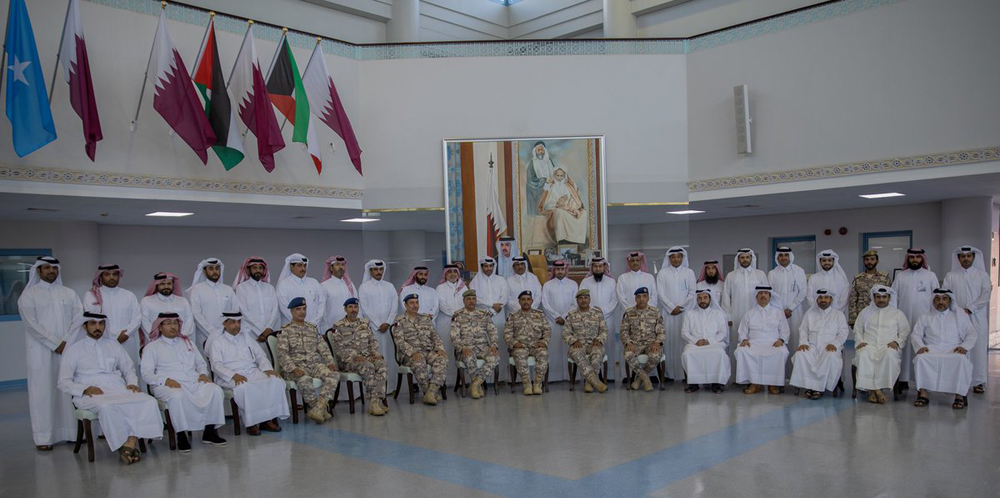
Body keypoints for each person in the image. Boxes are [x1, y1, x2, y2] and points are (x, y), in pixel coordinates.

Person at [57, 312, 161, 464]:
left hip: (118, 389)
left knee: (148, 401)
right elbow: (63, 382)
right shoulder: (74, 350)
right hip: (89, 394)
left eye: (101, 324)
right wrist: (84, 389)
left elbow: (128, 368)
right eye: (93, 324)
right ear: (85, 326)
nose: (98, 327)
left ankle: (129, 444)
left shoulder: (113, 345)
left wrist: (132, 383)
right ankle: (125, 445)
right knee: (107, 406)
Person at [18, 256, 82, 451]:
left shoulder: (69, 293)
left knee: (67, 390)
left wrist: (66, 341)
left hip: (67, 349)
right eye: (46, 268)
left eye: (54, 268)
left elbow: (79, 319)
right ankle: (44, 438)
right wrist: (55, 343)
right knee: (42, 392)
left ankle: (72, 433)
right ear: (39, 271)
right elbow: (32, 325)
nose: (51, 271)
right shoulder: (28, 296)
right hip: (40, 351)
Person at [140, 313, 226, 452]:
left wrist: (203, 374)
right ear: (160, 327)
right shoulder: (152, 347)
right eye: (168, 323)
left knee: (215, 390)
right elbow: (146, 374)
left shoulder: (188, 343)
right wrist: (165, 380)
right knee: (177, 396)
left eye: (175, 323)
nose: (172, 326)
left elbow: (200, 364)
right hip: (166, 384)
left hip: (193, 381)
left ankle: (209, 432)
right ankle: (181, 435)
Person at [208, 311, 288, 434]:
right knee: (245, 387)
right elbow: (216, 365)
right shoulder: (217, 342)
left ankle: (267, 420)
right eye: (233, 322)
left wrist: (268, 370)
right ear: (224, 323)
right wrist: (233, 375)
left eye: (238, 322)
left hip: (251, 371)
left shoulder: (246, 337)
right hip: (230, 376)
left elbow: (260, 356)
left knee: (275, 380)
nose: (237, 325)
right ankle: (251, 423)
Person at [275, 297, 339, 424]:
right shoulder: (285, 330)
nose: (302, 312)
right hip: (296, 367)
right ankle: (318, 409)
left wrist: (330, 363)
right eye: (298, 309)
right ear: (292, 312)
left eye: (304, 309)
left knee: (333, 375)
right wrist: (294, 368)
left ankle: (318, 408)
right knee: (305, 380)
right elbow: (282, 354)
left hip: (314, 364)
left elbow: (323, 349)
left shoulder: (312, 328)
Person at [911, 289, 976, 409]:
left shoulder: (959, 316)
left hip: (953, 348)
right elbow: (916, 334)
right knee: (921, 359)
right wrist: (920, 346)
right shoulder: (925, 316)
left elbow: (971, 333)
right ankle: (924, 394)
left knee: (960, 360)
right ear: (933, 301)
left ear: (950, 301)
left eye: (944, 298)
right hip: (931, 348)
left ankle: (959, 395)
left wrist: (964, 347)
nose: (941, 302)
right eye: (937, 298)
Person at [942, 246, 991, 394]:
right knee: (956, 347)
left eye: (969, 256)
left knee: (977, 349)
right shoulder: (950, 276)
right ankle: (956, 380)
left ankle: (978, 381)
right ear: (958, 258)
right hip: (956, 318)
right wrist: (958, 310)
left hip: (977, 317)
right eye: (962, 256)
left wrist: (969, 308)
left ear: (973, 257)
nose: (966, 259)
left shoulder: (982, 275)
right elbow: (945, 294)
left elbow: (985, 295)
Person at [329, 298, 389, 416]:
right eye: (350, 307)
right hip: (349, 362)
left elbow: (373, 342)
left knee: (382, 364)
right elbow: (338, 349)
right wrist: (354, 356)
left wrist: (375, 355)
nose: (353, 310)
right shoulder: (338, 326)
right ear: (345, 309)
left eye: (355, 307)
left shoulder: (364, 324)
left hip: (367, 357)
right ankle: (374, 403)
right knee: (368, 367)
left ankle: (376, 400)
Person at [853, 286, 909, 404]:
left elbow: (904, 331)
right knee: (863, 354)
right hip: (869, 344)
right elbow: (857, 329)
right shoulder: (865, 312)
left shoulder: (897, 314)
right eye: (878, 297)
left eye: (884, 297)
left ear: (889, 298)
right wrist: (860, 341)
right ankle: (877, 391)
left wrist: (897, 342)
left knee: (889, 355)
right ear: (874, 298)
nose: (881, 300)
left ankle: (873, 391)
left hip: (888, 345)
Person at [891, 248, 939, 386]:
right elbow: (894, 297)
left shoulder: (930, 276)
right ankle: (903, 379)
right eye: (912, 257)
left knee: (922, 346)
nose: (915, 260)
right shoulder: (901, 276)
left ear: (922, 259)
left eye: (918, 257)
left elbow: (936, 298)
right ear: (908, 259)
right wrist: (895, 317)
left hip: (924, 319)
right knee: (904, 348)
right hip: (903, 318)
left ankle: (922, 380)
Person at [789, 290, 849, 399]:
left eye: (826, 298)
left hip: (829, 346)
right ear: (817, 299)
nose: (823, 300)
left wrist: (835, 344)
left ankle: (818, 388)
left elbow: (843, 332)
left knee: (830, 356)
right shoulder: (810, 313)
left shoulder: (838, 315)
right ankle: (808, 386)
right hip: (811, 346)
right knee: (801, 354)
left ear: (831, 299)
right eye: (820, 298)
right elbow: (803, 330)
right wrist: (803, 343)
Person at [83, 264, 141, 372]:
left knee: (130, 372)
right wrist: (116, 335)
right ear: (100, 277)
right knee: (108, 373)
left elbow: (137, 317)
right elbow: (92, 318)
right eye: (107, 274)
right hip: (104, 339)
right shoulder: (91, 295)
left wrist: (126, 333)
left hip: (127, 340)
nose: (112, 277)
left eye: (115, 274)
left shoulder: (129, 295)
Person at [392, 294, 447, 406]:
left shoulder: (425, 319)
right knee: (419, 361)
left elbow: (435, 336)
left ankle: (430, 392)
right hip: (410, 355)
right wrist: (413, 352)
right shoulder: (399, 320)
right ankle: (429, 393)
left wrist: (439, 348)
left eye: (416, 302)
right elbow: (399, 342)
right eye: (411, 303)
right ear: (405, 305)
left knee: (442, 359)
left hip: (428, 352)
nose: (415, 305)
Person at [734, 286, 789, 395]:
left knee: (782, 352)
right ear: (756, 297)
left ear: (770, 297)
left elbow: (785, 330)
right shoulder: (749, 313)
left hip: (773, 342)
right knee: (741, 351)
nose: (763, 295)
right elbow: (742, 331)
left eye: (766, 293)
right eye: (760, 293)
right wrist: (744, 339)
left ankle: (773, 384)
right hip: (754, 342)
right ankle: (754, 383)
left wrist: (781, 340)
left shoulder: (778, 312)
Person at [449, 290, 500, 399]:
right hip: (466, 349)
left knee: (495, 357)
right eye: (468, 299)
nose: (471, 301)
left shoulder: (483, 314)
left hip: (483, 347)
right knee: (469, 356)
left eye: (473, 299)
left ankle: (475, 384)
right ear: (464, 301)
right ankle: (476, 386)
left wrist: (493, 345)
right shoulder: (458, 316)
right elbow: (454, 336)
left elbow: (493, 331)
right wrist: (462, 348)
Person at [656, 246, 696, 382]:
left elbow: (692, 293)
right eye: (673, 257)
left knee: (684, 341)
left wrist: (680, 307)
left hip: (685, 313)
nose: (676, 259)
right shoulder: (662, 273)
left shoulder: (689, 272)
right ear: (669, 258)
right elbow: (660, 293)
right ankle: (668, 374)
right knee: (668, 341)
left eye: (678, 256)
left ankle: (685, 373)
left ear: (682, 258)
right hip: (668, 313)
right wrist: (671, 307)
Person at [578, 257, 620, 382]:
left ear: (604, 267)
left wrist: (603, 311)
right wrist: (592, 312)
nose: (597, 269)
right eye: (595, 266)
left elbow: (615, 300)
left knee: (608, 345)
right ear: (592, 267)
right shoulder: (585, 282)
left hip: (607, 318)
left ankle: (609, 375)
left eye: (600, 266)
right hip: (588, 320)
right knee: (591, 345)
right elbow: (581, 299)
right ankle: (591, 376)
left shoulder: (612, 282)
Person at [681, 289, 730, 393]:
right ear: (696, 300)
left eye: (705, 298)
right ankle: (693, 383)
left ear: (710, 299)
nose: (702, 300)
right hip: (695, 344)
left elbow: (722, 333)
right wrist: (696, 341)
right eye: (699, 298)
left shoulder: (718, 314)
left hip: (714, 343)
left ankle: (717, 383)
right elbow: (684, 332)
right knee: (687, 354)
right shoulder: (690, 314)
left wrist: (709, 341)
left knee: (720, 353)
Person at [358, 259, 398, 382]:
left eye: (381, 269)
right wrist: (378, 323)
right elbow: (364, 308)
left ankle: (391, 386)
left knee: (390, 357)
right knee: (376, 357)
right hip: (373, 329)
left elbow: (394, 306)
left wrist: (388, 322)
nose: (378, 272)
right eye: (375, 269)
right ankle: (377, 387)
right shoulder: (364, 287)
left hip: (388, 328)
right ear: (370, 271)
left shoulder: (389, 286)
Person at [504, 290, 551, 396]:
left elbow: (547, 330)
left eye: (528, 299)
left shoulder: (540, 315)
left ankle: (537, 384)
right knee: (519, 354)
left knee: (543, 354)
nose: (526, 302)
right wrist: (514, 343)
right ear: (519, 302)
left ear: (532, 301)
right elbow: (507, 333)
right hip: (520, 346)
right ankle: (527, 385)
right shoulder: (513, 316)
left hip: (536, 345)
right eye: (523, 299)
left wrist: (544, 342)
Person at [767, 248, 807, 368]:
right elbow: (770, 293)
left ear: (790, 256)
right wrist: (780, 311)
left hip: (796, 312)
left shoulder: (799, 271)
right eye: (781, 255)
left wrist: (790, 308)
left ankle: (795, 373)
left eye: (786, 255)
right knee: (778, 340)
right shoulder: (772, 273)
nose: (783, 257)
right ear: (777, 257)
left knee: (795, 339)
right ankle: (780, 375)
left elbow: (803, 292)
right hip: (777, 312)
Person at [563, 289, 609, 393]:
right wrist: (574, 341)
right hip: (577, 345)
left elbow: (604, 330)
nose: (583, 300)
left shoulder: (597, 313)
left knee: (597, 354)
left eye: (586, 298)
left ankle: (589, 383)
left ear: (590, 299)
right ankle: (596, 383)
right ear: (577, 300)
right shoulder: (571, 315)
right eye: (580, 298)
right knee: (578, 356)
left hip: (594, 344)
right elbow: (566, 333)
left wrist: (599, 339)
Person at [620, 287, 666, 392]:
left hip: (651, 343)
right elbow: (624, 331)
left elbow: (661, 331)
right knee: (628, 354)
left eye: (644, 296)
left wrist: (657, 343)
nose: (642, 299)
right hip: (634, 344)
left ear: (648, 298)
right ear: (635, 299)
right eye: (639, 297)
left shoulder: (655, 312)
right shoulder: (629, 312)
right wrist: (628, 343)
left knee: (655, 355)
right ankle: (645, 379)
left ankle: (638, 380)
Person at [722, 249, 769, 350]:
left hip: (757, 312)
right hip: (737, 313)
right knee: (736, 339)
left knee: (756, 338)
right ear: (738, 259)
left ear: (751, 258)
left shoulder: (760, 274)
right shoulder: (731, 275)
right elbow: (726, 296)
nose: (745, 260)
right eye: (742, 257)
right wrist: (728, 316)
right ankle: (736, 365)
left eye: (747, 257)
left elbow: (766, 294)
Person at [187, 258, 236, 353]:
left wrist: (226, 331)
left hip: (227, 335)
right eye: (211, 269)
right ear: (204, 271)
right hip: (205, 335)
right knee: (205, 364)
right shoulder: (196, 290)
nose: (215, 271)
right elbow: (196, 314)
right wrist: (213, 332)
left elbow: (234, 311)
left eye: (217, 268)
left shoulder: (228, 290)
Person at [470, 257, 509, 366]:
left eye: (491, 266)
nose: (488, 268)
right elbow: (476, 299)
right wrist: (491, 306)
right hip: (481, 317)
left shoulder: (501, 280)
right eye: (486, 266)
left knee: (499, 343)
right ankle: (484, 378)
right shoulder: (475, 282)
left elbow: (504, 297)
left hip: (498, 316)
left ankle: (500, 377)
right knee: (483, 344)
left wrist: (493, 311)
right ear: (482, 267)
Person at [541, 260, 577, 381]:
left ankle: (569, 376)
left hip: (568, 321)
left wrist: (565, 316)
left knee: (568, 347)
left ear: (565, 270)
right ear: (554, 270)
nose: (560, 271)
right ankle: (553, 377)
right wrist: (556, 316)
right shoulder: (547, 285)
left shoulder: (573, 284)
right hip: (552, 321)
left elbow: (574, 303)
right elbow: (545, 304)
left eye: (562, 269)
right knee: (553, 347)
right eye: (557, 269)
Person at [233, 256, 279, 342]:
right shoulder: (241, 288)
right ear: (248, 270)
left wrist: (268, 329)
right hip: (251, 333)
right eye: (254, 268)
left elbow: (275, 310)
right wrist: (261, 331)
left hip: (270, 333)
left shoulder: (270, 288)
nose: (258, 270)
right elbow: (244, 312)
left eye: (260, 268)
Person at [140, 272, 194, 343]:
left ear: (173, 285)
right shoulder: (146, 301)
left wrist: (182, 336)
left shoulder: (183, 301)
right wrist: (161, 338)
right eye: (162, 284)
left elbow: (189, 320)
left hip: (181, 342)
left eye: (169, 284)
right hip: (155, 343)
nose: (166, 286)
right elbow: (144, 322)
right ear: (156, 285)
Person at [537, 167, 587, 244]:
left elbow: (575, 200)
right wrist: (559, 204)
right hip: (557, 209)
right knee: (560, 213)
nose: (559, 178)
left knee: (583, 213)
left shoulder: (568, 187)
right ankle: (563, 240)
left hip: (569, 208)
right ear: (554, 175)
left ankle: (576, 240)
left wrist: (571, 208)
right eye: (558, 175)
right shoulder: (552, 187)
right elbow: (547, 204)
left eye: (561, 176)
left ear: (565, 176)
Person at [275, 254, 326, 326]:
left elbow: (322, 305)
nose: (303, 268)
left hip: (314, 328)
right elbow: (284, 308)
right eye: (299, 265)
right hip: (292, 330)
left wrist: (313, 324)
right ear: (291, 266)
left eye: (305, 266)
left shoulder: (314, 282)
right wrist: (301, 324)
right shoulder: (284, 284)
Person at [435, 264, 467, 382]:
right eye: (450, 272)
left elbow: (467, 303)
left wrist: (460, 314)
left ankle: (464, 380)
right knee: (447, 349)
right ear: (445, 274)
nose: (453, 274)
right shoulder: (440, 288)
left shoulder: (463, 287)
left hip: (462, 323)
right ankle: (447, 380)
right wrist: (455, 313)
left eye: (455, 271)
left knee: (461, 349)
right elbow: (442, 305)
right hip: (446, 322)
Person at [847, 250, 891, 327]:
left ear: (877, 261)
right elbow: (852, 300)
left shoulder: (884, 278)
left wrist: (889, 316)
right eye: (866, 260)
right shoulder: (858, 279)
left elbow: (890, 298)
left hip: (880, 315)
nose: (869, 262)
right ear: (864, 262)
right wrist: (853, 320)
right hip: (862, 316)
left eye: (872, 259)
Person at [319, 255, 356, 334]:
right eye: (337, 264)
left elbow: (357, 306)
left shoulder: (350, 285)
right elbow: (322, 311)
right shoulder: (324, 286)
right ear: (331, 268)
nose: (341, 267)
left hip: (350, 329)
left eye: (342, 265)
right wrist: (325, 331)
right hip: (332, 330)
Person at [807, 250, 849, 315]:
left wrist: (835, 313)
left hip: (837, 315)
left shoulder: (841, 278)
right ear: (820, 262)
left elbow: (844, 299)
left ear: (833, 262)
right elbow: (810, 297)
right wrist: (819, 311)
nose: (827, 262)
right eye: (824, 260)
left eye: (829, 260)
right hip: (817, 314)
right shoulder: (813, 278)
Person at [525, 141, 556, 215]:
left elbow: (555, 173)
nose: (540, 152)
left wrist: (552, 181)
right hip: (538, 189)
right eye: (538, 150)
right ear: (535, 151)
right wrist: (544, 180)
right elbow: (530, 180)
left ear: (544, 150)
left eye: (542, 150)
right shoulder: (532, 163)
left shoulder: (549, 160)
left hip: (551, 186)